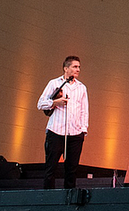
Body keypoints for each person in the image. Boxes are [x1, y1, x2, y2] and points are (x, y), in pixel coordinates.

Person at [37, 55, 89, 189]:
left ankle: (69, 197)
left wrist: (83, 130)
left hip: (75, 133)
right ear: (66, 68)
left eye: (79, 67)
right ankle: (49, 197)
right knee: (51, 168)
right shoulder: (54, 83)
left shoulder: (81, 87)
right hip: (56, 131)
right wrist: (56, 102)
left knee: (72, 170)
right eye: (75, 67)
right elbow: (40, 104)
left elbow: (84, 110)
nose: (78, 69)